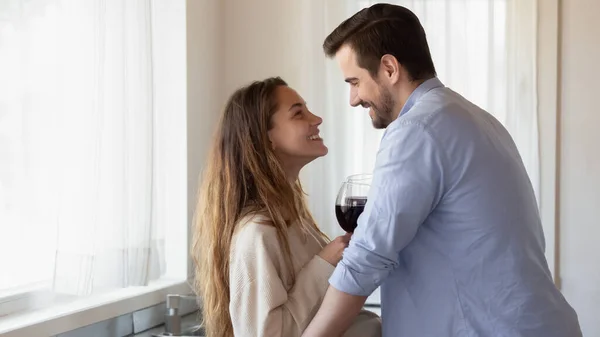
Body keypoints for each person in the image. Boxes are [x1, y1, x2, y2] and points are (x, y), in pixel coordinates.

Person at [302, 4, 581, 337]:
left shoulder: (416, 129)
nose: (353, 98)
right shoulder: (474, 118)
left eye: (355, 82)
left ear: (389, 68)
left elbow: (368, 256)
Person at [192, 77, 381, 337]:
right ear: (266, 137)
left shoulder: (294, 220)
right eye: (298, 113)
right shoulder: (256, 233)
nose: (316, 119)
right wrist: (324, 263)